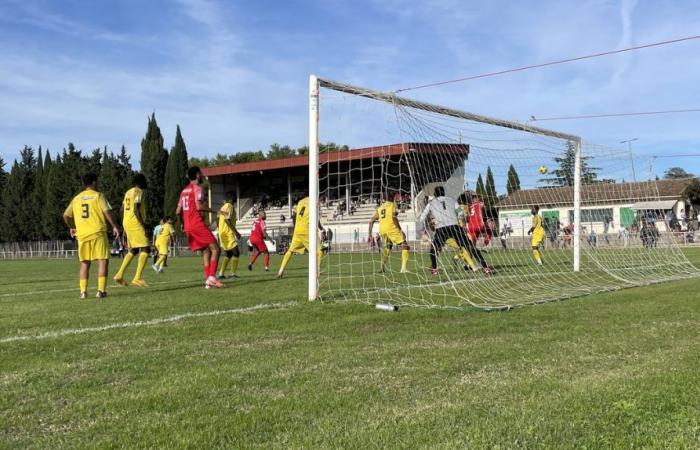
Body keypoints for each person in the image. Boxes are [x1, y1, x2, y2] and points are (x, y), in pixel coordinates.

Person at [63, 172, 120, 299]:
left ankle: (83, 292)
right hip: (97, 232)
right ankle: (101, 291)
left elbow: (66, 215)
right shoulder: (98, 196)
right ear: (94, 182)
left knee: (84, 263)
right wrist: (115, 226)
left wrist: (72, 227)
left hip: (82, 234)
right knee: (102, 261)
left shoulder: (76, 198)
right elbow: (107, 212)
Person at [418, 186, 490, 275]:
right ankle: (485, 267)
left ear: (435, 194)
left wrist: (423, 230)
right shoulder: (452, 200)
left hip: (441, 229)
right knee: (470, 247)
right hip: (454, 227)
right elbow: (461, 214)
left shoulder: (431, 203)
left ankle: (434, 269)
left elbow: (422, 218)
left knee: (434, 249)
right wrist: (463, 225)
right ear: (444, 192)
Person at [176, 166, 224, 288]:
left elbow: (177, 211)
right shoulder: (197, 188)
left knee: (206, 251)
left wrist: (182, 223)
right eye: (201, 173)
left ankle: (208, 280)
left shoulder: (184, 191)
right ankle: (212, 277)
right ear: (197, 175)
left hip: (188, 226)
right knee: (216, 249)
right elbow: (199, 206)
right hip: (196, 224)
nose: (202, 176)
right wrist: (215, 211)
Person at [113, 173, 150, 288]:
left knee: (133, 250)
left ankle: (119, 274)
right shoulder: (138, 191)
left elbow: (121, 210)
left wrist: (123, 224)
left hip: (127, 222)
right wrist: (143, 225)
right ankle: (137, 278)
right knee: (146, 248)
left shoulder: (128, 192)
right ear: (140, 182)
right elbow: (136, 209)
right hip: (135, 222)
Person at [277, 195, 325, 278]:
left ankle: (281, 270)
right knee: (320, 250)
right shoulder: (316, 202)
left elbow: (294, 216)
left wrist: (296, 228)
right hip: (307, 230)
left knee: (290, 250)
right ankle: (317, 271)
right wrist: (321, 229)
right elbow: (316, 219)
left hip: (297, 230)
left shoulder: (300, 201)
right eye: (323, 200)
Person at [368, 192, 410, 273]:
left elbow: (371, 221)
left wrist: (369, 234)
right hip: (391, 228)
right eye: (393, 196)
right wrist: (401, 230)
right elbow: (394, 218)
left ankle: (382, 267)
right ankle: (403, 269)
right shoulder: (392, 205)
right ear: (391, 197)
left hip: (383, 230)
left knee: (388, 246)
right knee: (405, 246)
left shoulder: (380, 208)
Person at [217, 191, 241, 279]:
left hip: (223, 233)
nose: (236, 198)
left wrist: (220, 230)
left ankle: (221, 274)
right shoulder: (229, 206)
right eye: (235, 197)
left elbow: (217, 218)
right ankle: (232, 274)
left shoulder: (223, 207)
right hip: (227, 233)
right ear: (231, 198)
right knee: (236, 252)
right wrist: (236, 232)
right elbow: (227, 220)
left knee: (229, 254)